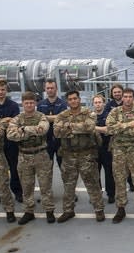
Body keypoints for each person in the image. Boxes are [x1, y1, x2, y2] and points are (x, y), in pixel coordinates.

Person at [53, 91, 105, 223]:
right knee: (68, 185)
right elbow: (57, 132)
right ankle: (68, 210)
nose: (73, 101)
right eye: (70, 99)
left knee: (92, 183)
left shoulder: (89, 113)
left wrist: (69, 127)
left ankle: (99, 209)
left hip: (86, 154)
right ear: (67, 101)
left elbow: (89, 127)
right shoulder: (62, 115)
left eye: (75, 98)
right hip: (68, 155)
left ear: (79, 99)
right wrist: (78, 128)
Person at [6, 92, 56, 225]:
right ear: (22, 104)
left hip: (41, 155)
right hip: (24, 156)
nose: (29, 105)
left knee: (46, 185)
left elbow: (43, 130)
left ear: (35, 103)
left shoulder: (41, 117)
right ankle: (29, 211)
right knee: (26, 186)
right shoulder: (17, 118)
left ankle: (49, 210)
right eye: (26, 103)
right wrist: (29, 132)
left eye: (31, 103)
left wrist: (23, 130)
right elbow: (10, 135)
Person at [106, 88, 134, 224]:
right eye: (125, 96)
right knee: (119, 180)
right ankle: (121, 209)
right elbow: (109, 128)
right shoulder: (115, 112)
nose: (128, 99)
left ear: (133, 98)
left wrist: (121, 129)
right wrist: (129, 125)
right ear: (122, 98)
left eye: (130, 96)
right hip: (119, 150)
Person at [0, 78, 22, 203]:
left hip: (11, 143)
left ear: (6, 90)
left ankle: (18, 192)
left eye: (3, 90)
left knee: (14, 169)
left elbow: (14, 123)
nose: (0, 92)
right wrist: (4, 121)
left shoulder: (13, 106)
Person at [36, 80, 67, 168]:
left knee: (64, 169)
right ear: (45, 89)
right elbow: (38, 119)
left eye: (52, 88)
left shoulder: (62, 104)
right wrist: (56, 117)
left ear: (56, 89)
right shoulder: (41, 105)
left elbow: (62, 119)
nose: (50, 90)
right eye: (48, 88)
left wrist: (45, 118)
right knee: (46, 170)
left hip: (60, 141)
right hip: (45, 141)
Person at [93, 94, 115, 203]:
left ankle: (111, 194)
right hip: (94, 148)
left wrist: (94, 128)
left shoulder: (109, 116)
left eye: (99, 102)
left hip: (107, 148)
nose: (98, 104)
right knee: (95, 172)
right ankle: (97, 194)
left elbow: (108, 130)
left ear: (103, 103)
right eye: (96, 102)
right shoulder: (90, 116)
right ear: (93, 104)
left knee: (109, 172)